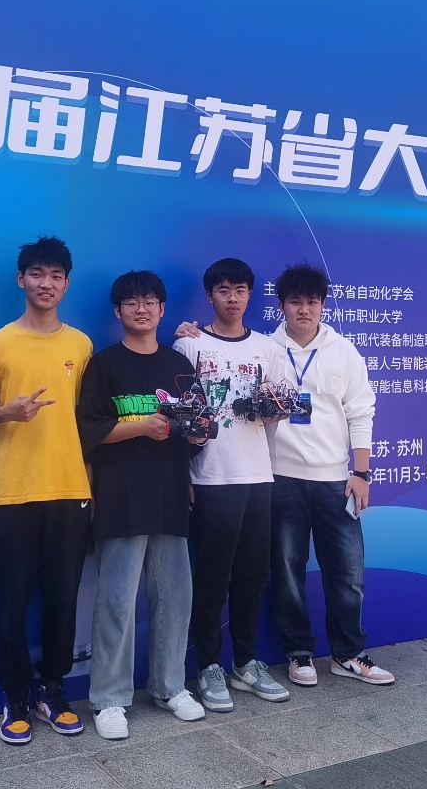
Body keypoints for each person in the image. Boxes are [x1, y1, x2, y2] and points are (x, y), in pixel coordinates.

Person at [0, 236, 92, 745]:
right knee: (11, 602)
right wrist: (5, 413)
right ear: (21, 280)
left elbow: (87, 420)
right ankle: (14, 695)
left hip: (69, 490)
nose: (46, 283)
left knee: (62, 599)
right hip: (10, 493)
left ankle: (52, 689)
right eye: (37, 273)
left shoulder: (80, 345)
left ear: (67, 284)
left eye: (56, 275)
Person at [78, 271, 207, 740]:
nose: (141, 309)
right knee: (116, 601)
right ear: (118, 311)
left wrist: (198, 435)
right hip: (121, 496)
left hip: (170, 494)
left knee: (175, 596)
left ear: (162, 309)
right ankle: (109, 698)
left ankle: (170, 686)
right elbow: (88, 430)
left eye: (150, 301)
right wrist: (141, 427)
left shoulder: (179, 364)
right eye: (131, 303)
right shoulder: (103, 365)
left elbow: (198, 428)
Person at [266, 264, 394, 687]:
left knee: (348, 573)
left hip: (336, 481)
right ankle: (298, 654)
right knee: (287, 571)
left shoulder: (344, 351)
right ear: (281, 306)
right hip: (280, 478)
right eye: (295, 302)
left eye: (312, 302)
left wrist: (362, 472)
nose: (304, 309)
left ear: (322, 305)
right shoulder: (265, 350)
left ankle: (348, 654)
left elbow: (362, 412)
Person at [172, 258, 289, 711]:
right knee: (212, 578)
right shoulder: (189, 345)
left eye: (240, 290)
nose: (233, 298)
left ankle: (247, 662)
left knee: (253, 577)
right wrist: (185, 475)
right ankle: (208, 666)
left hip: (258, 474)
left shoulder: (267, 348)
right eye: (223, 290)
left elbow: (283, 407)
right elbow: (180, 417)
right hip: (211, 476)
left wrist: (272, 407)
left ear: (250, 295)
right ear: (209, 296)